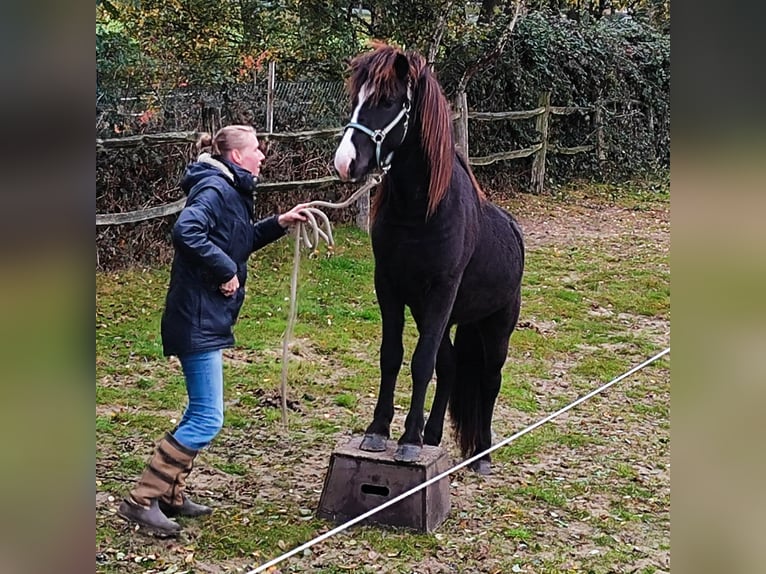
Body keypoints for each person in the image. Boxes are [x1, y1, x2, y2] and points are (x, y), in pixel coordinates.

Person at [118, 125, 309, 535]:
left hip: (204, 316)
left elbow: (236, 242)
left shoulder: (229, 189)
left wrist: (279, 222)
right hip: (196, 317)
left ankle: (170, 495)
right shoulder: (216, 190)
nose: (262, 155)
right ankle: (142, 499)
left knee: (200, 410)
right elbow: (186, 231)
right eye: (257, 149)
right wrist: (224, 269)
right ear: (237, 156)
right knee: (207, 418)